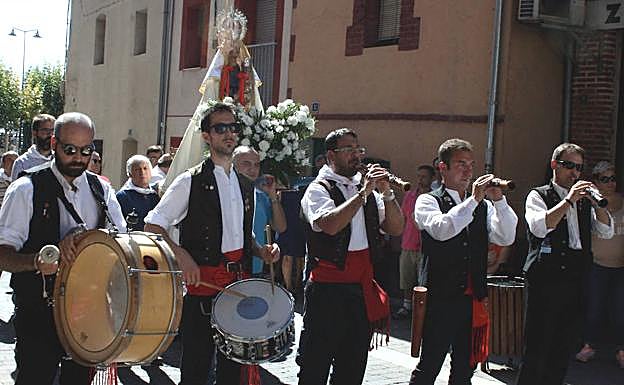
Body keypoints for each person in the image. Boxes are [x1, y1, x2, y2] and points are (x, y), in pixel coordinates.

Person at [144, 101, 279, 385]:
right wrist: (182, 256)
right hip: (203, 287)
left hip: (237, 285)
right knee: (196, 366)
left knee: (232, 369)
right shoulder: (189, 181)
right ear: (207, 136)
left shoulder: (244, 184)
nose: (228, 134)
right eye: (220, 128)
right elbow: (153, 225)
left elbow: (241, 234)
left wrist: (260, 250)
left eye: (233, 128)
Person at [0, 112, 126, 385]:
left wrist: (92, 240)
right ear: (54, 143)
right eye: (70, 149)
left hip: (88, 311)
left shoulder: (101, 191)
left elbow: (122, 241)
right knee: (35, 377)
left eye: (86, 150)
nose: (78, 158)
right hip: (38, 311)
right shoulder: (25, 188)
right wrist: (38, 260)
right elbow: (3, 254)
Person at [297, 128, 404, 385]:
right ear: (331, 155)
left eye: (359, 150)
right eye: (350, 151)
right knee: (315, 366)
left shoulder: (365, 190)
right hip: (326, 292)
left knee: (352, 367)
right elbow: (330, 225)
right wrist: (363, 194)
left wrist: (387, 193)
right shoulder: (318, 189)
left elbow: (396, 227)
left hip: (359, 289)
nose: (357, 156)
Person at [409, 138, 518, 385]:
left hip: (473, 299)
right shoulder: (428, 201)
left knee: (464, 370)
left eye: (471, 164)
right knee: (429, 366)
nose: (468, 171)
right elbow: (443, 230)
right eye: (460, 164)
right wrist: (474, 200)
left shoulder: (483, 206)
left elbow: (507, 235)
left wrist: (499, 200)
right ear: (442, 167)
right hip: (440, 298)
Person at [517, 143, 614, 385]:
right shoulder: (538, 195)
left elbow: (606, 229)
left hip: (575, 279)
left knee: (562, 348)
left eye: (579, 168)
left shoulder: (583, 201)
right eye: (569, 165)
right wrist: (568, 200)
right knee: (537, 347)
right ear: (554, 165)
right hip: (545, 279)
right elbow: (540, 227)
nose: (574, 173)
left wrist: (595, 202)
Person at [574, 161, 624, 368]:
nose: (610, 183)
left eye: (613, 179)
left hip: (620, 266)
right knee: (594, 308)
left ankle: (621, 350)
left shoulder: (623, 200)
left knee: (620, 310)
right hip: (597, 264)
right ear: (596, 181)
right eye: (605, 179)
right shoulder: (589, 203)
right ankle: (588, 346)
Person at [233, 145, 287, 276]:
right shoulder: (226, 194)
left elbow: (280, 227)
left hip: (256, 267)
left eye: (256, 165)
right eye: (246, 164)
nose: (252, 169)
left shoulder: (261, 196)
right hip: (229, 269)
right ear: (232, 165)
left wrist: (273, 195)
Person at [394, 164, 434, 319]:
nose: (420, 179)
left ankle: (421, 309)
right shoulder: (409, 195)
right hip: (408, 243)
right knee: (406, 277)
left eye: (424, 176)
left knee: (423, 281)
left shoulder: (434, 197)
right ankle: (406, 306)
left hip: (426, 247)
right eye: (419, 176)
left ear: (432, 178)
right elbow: (402, 218)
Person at [117, 155, 160, 231]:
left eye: (145, 168)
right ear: (130, 174)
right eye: (137, 169)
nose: (142, 172)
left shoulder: (156, 195)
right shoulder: (123, 196)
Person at [11, 114, 55, 180]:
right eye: (45, 130)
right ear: (34, 133)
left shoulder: (59, 160)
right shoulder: (22, 163)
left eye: (53, 130)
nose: (50, 134)